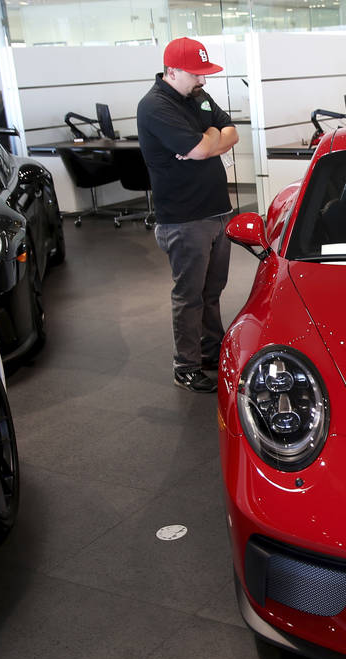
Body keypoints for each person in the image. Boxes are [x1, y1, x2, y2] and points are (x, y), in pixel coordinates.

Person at [137, 37, 239, 393]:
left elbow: (231, 133)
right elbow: (199, 148)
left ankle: (211, 350)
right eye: (197, 74)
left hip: (216, 211)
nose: (204, 82)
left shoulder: (197, 96)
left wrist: (208, 138)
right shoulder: (154, 106)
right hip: (184, 219)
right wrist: (207, 140)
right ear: (173, 71)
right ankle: (186, 365)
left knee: (213, 290)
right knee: (189, 296)